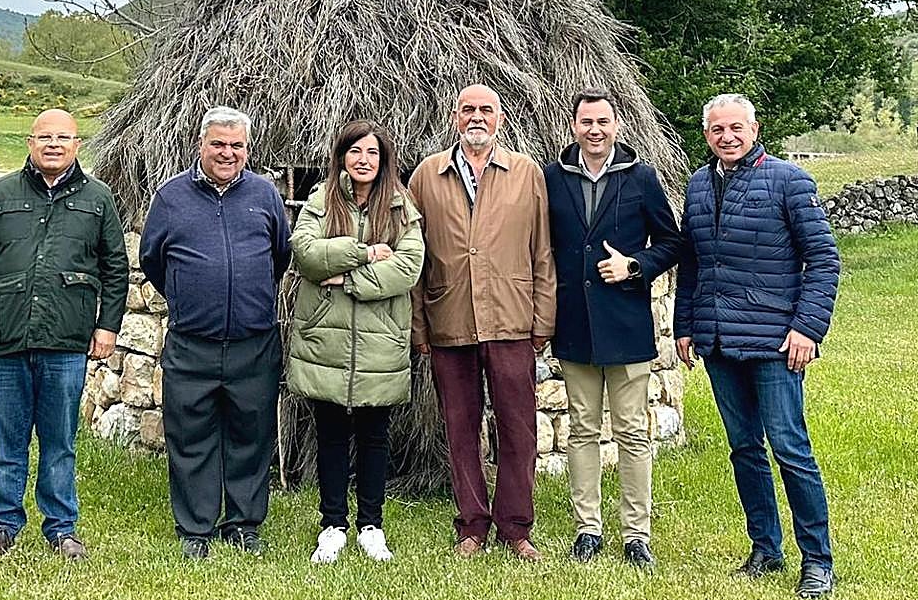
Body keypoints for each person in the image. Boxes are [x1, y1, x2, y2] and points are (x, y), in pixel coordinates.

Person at [674, 93, 840, 599]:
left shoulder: (790, 181)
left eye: (735, 127)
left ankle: (817, 560)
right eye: (717, 129)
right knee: (745, 448)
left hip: (776, 342)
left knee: (790, 449)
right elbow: (694, 263)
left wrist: (808, 329)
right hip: (718, 341)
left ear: (754, 128)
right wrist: (686, 324)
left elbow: (824, 261)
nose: (727, 136)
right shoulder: (698, 185)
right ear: (707, 135)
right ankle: (765, 548)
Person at [0, 109, 128, 561]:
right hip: (5, 338)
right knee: (6, 440)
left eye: (63, 137)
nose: (53, 144)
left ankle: (61, 529)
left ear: (77, 145)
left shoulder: (98, 198)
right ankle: (3, 525)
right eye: (44, 136)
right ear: (30, 142)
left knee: (59, 441)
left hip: (66, 340)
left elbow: (114, 268)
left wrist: (107, 325)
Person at [409, 83, 556, 561]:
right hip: (449, 318)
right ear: (455, 117)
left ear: (500, 118)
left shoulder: (525, 173)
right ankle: (471, 525)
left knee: (519, 428)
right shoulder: (427, 176)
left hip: (512, 320)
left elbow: (542, 252)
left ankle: (515, 528)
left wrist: (543, 320)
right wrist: (420, 327)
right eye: (468, 109)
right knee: (460, 428)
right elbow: (416, 259)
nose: (477, 116)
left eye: (486, 110)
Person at [140, 106, 291, 560]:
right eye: (218, 144)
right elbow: (153, 261)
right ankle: (196, 528)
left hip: (253, 342)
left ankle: (243, 524)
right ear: (201, 145)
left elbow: (279, 258)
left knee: (251, 435)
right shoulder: (171, 198)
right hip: (193, 344)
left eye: (237, 145)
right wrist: (192, 297)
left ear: (248, 149)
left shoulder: (265, 196)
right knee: (190, 437)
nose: (228, 153)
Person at [543, 88, 681, 569]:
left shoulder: (641, 178)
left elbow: (671, 242)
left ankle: (636, 534)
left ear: (616, 125)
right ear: (574, 126)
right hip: (575, 323)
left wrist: (635, 266)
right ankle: (588, 529)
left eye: (603, 121)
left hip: (626, 324)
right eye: (586, 122)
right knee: (582, 428)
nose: (594, 130)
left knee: (632, 433)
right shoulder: (554, 178)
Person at [287, 120, 425, 564]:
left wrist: (346, 278)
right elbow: (306, 253)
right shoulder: (321, 199)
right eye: (355, 152)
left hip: (379, 338)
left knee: (373, 434)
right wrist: (364, 253)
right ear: (342, 156)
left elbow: (408, 267)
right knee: (328, 431)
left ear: (384, 160)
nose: (363, 160)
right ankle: (332, 524)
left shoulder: (402, 207)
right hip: (325, 335)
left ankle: (371, 524)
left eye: (372, 153)